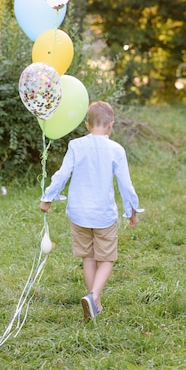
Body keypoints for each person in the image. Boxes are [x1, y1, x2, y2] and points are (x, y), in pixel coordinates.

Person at [39, 101, 141, 321]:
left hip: (79, 213)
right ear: (110, 125)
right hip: (103, 215)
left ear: (87, 125)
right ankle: (94, 296)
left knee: (88, 256)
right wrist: (132, 210)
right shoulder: (116, 149)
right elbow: (125, 183)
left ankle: (94, 303)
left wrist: (47, 198)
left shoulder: (76, 145)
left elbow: (62, 173)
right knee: (106, 258)